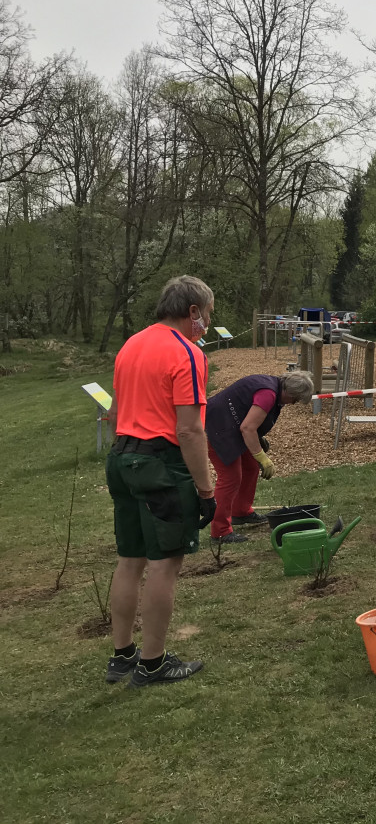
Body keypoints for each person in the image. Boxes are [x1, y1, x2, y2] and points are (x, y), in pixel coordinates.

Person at [104, 275, 215, 688]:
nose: (206, 322)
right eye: (207, 315)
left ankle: (122, 654)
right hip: (160, 464)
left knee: (129, 561)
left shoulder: (131, 345)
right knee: (165, 564)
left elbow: (115, 412)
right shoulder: (187, 353)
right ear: (193, 312)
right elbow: (189, 430)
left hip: (122, 458)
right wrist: (206, 490)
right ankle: (153, 662)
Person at [204, 371, 315, 543]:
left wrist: (258, 440)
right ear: (290, 393)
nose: (294, 404)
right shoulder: (268, 394)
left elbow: (246, 413)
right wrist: (261, 456)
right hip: (218, 428)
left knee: (250, 468)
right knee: (230, 478)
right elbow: (248, 428)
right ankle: (220, 531)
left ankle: (240, 512)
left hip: (231, 427)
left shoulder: (273, 387)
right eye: (295, 400)